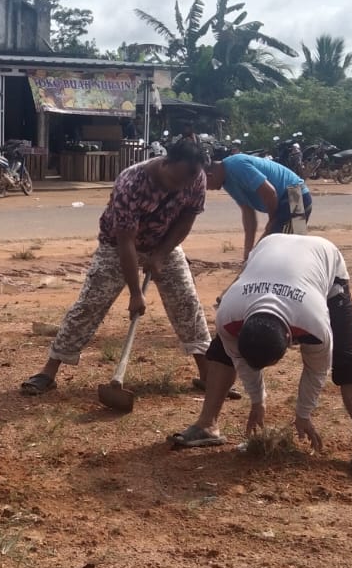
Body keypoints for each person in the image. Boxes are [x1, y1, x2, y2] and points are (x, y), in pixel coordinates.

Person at [168, 233, 352, 480]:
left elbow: (316, 370)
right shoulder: (228, 313)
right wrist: (258, 401)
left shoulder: (313, 322)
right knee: (219, 352)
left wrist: (303, 414)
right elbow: (238, 358)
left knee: (348, 359)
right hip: (268, 249)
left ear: (292, 338)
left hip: (324, 259)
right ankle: (207, 425)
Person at [20, 140, 212, 395]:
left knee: (187, 303)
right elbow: (125, 241)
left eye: (185, 183)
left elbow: (187, 218)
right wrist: (135, 293)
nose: (179, 188)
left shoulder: (195, 178)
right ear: (166, 163)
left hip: (165, 243)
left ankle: (209, 376)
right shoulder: (131, 182)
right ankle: (49, 371)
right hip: (118, 246)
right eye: (175, 182)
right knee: (90, 304)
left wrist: (161, 254)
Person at [206, 152, 313, 257]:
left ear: (209, 176)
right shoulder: (227, 182)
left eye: (204, 185)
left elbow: (270, 192)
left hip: (296, 194)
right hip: (288, 199)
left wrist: (271, 221)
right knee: (285, 249)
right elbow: (248, 214)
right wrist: (247, 253)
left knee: (278, 249)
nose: (206, 189)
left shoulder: (236, 165)